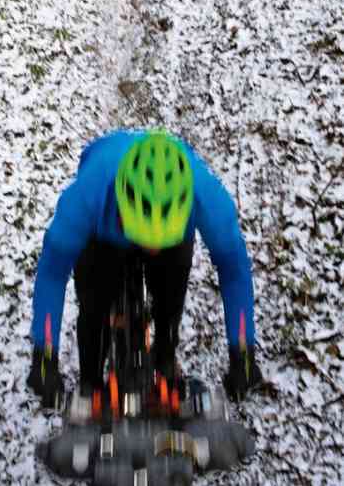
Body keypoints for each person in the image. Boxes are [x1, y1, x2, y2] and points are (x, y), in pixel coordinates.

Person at [27, 129, 263, 408]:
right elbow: (53, 273)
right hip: (103, 235)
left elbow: (234, 270)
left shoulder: (208, 198)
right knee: (94, 306)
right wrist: (44, 357)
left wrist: (243, 353)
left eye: (159, 238)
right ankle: (91, 378)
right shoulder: (88, 195)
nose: (150, 247)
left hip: (169, 241)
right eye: (143, 234)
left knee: (170, 298)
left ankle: (165, 356)